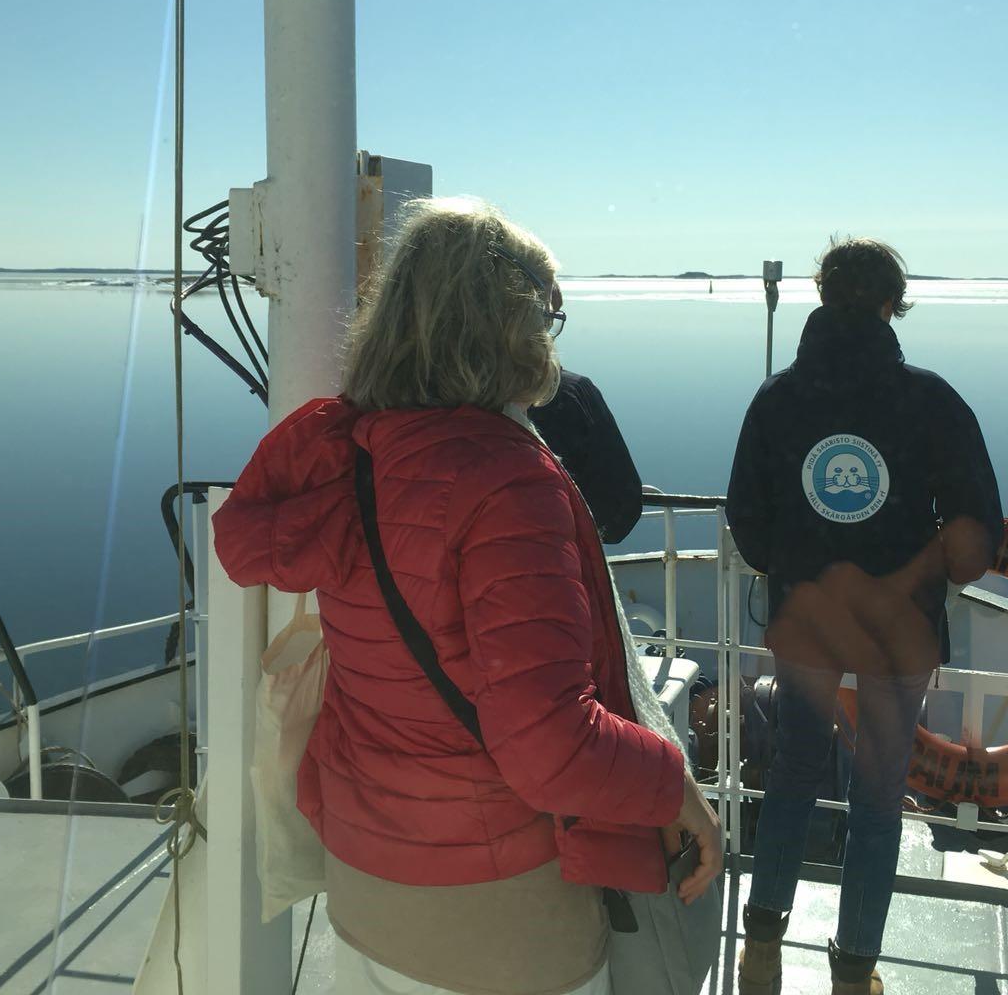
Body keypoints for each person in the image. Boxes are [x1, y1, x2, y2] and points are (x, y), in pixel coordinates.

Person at [213, 197, 721, 995]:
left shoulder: (350, 452)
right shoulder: (505, 481)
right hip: (495, 913)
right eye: (547, 316)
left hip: (367, 872)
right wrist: (677, 788)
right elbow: (551, 747)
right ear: (509, 323)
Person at [726, 237, 1003, 995]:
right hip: (898, 631)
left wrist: (792, 568)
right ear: (892, 304)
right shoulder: (932, 400)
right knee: (879, 796)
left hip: (806, 621)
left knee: (793, 774)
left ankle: (760, 953)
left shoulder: (777, 398)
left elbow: (748, 516)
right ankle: (853, 973)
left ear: (821, 296)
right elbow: (976, 530)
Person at [530, 367, 645, 544]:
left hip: (521, 537)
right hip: (571, 536)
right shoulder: (575, 388)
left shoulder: (494, 406)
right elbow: (622, 492)